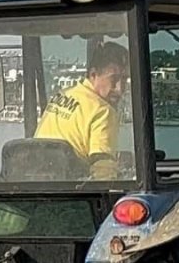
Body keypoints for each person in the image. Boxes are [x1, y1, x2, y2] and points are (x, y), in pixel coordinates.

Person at [34, 40, 130, 175]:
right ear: (93, 74)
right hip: (73, 189)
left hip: (37, 179)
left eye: (125, 79)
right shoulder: (103, 111)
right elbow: (103, 170)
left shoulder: (60, 96)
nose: (120, 89)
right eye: (113, 79)